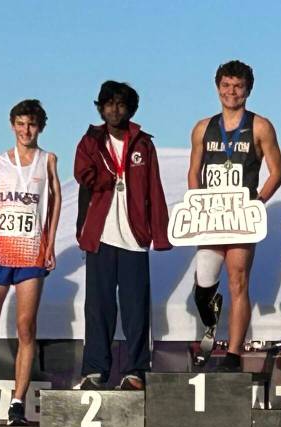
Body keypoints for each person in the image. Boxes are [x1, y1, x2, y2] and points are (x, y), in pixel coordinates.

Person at [0, 99, 61, 425]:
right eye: (20, 124)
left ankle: (18, 402)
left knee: (25, 328)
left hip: (30, 255)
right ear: (12, 126)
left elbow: (56, 199)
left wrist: (50, 243)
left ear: (40, 127)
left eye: (31, 124)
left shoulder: (48, 161)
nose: (25, 130)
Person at [73, 81, 171, 391]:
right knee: (98, 307)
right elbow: (82, 173)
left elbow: (154, 188)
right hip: (100, 235)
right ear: (100, 108)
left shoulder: (143, 144)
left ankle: (136, 370)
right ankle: (94, 370)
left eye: (121, 104)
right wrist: (109, 175)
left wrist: (160, 234)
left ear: (130, 109)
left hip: (134, 236)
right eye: (109, 104)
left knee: (135, 308)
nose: (115, 110)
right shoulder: (91, 141)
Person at [188, 60, 281, 372]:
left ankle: (233, 352)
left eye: (238, 86)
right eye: (226, 86)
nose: (232, 92)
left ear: (248, 90)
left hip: (241, 218)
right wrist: (197, 203)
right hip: (212, 216)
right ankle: (209, 319)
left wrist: (258, 202)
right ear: (218, 88)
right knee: (205, 280)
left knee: (238, 279)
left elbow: (276, 171)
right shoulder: (203, 127)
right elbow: (194, 170)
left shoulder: (260, 126)